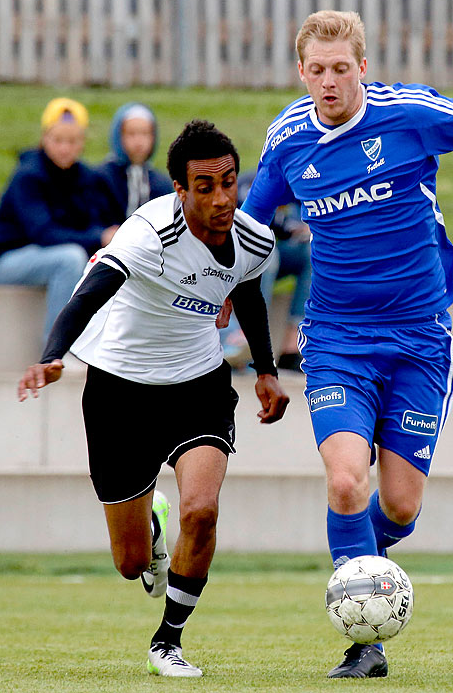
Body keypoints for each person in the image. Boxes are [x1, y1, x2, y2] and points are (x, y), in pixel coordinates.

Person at [240, 9, 453, 678]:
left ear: (363, 67)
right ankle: (363, 635)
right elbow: (252, 222)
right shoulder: (287, 138)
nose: (330, 82)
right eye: (317, 70)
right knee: (345, 481)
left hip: (420, 337)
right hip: (335, 338)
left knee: (398, 505)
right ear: (300, 72)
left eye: (342, 69)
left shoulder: (409, 114)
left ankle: (368, 561)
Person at [17, 120, 289, 677]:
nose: (221, 199)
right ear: (179, 189)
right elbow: (88, 296)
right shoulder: (148, 234)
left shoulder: (252, 236)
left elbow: (247, 291)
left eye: (229, 183)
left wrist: (265, 370)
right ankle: (152, 530)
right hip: (119, 391)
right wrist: (54, 354)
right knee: (131, 562)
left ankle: (168, 641)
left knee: (203, 510)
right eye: (205, 187)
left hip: (197, 385)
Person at [0, 98, 118, 340]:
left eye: (72, 141)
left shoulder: (85, 177)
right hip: (7, 261)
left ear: (82, 143)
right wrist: (99, 237)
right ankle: (57, 349)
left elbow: (96, 219)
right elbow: (43, 233)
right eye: (58, 140)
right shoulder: (28, 176)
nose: (65, 148)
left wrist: (106, 236)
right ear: (44, 139)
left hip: (50, 258)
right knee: (70, 258)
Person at [220, 169, 311, 372]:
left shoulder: (306, 180)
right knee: (268, 256)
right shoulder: (253, 180)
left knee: (313, 252)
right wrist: (290, 227)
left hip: (276, 255)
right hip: (234, 257)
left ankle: (293, 347)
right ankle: (251, 343)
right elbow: (250, 224)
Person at [95, 102, 174, 226]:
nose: (139, 141)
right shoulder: (103, 177)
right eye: (131, 134)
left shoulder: (161, 183)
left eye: (145, 134)